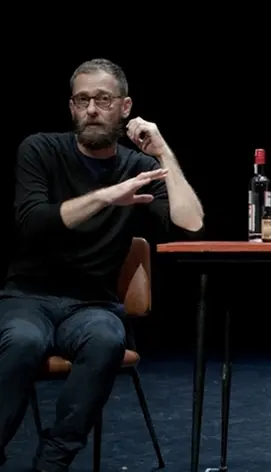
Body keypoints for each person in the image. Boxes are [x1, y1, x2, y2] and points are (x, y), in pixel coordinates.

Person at [0, 58, 204, 472]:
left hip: (92, 304)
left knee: (107, 341)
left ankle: (53, 462)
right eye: (82, 100)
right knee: (21, 343)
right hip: (28, 297)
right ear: (71, 107)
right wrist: (107, 196)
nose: (92, 109)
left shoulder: (138, 167)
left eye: (103, 100)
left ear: (125, 107)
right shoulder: (40, 149)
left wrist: (163, 151)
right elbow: (34, 223)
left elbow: (191, 225)